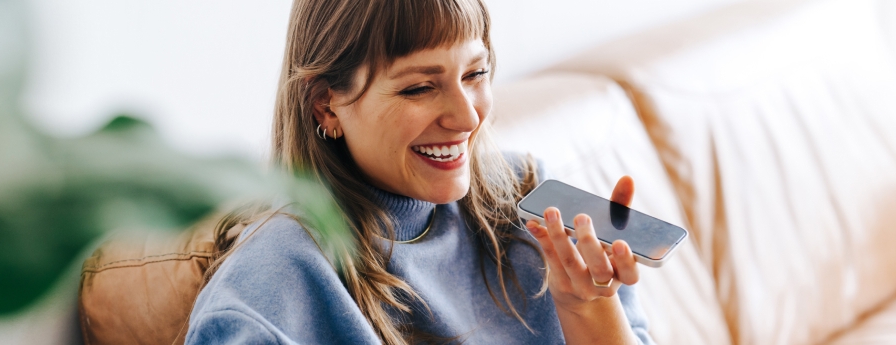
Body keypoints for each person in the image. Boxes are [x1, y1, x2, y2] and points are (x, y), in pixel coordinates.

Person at [184, 0, 653, 344]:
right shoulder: (272, 288)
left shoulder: (527, 199)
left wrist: (588, 307)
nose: (468, 118)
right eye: (420, 88)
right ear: (325, 104)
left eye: (475, 74)